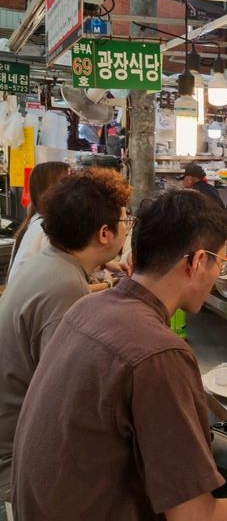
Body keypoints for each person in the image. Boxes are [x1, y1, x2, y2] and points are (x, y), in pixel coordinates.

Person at [11, 189, 227, 520]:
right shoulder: (158, 352)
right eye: (221, 264)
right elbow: (197, 516)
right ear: (198, 261)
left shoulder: (89, 306)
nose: (217, 275)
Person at [0, 167, 132, 512]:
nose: (126, 225)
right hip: (17, 459)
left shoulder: (52, 264)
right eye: (124, 219)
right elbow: (63, 403)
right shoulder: (64, 286)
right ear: (105, 233)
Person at [7, 161, 70, 284]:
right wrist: (108, 283)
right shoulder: (44, 228)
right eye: (70, 183)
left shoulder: (37, 221)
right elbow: (56, 283)